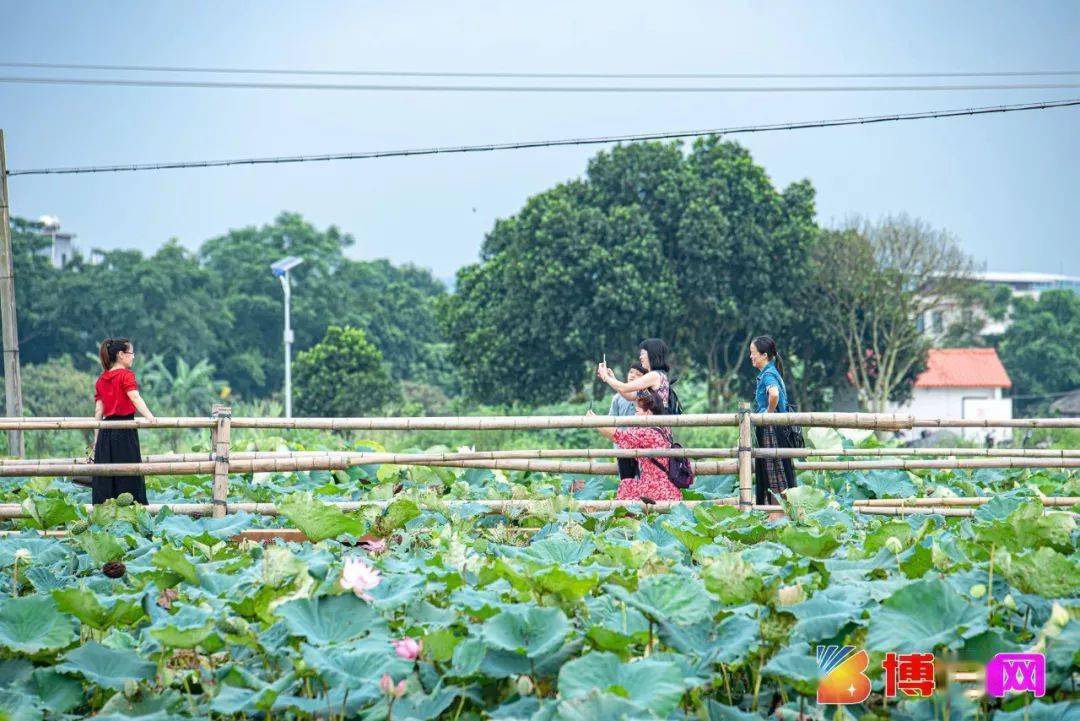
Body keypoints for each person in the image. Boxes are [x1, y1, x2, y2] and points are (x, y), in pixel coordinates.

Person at [588, 389, 681, 502]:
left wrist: (594, 420)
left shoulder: (647, 433)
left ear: (647, 413)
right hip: (665, 489)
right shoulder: (661, 428)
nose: (634, 415)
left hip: (656, 490)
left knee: (626, 500)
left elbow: (616, 435)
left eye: (636, 411)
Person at [92, 338, 155, 505]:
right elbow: (134, 397)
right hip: (124, 431)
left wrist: (96, 440)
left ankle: (105, 520)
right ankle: (135, 517)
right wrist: (151, 417)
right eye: (131, 353)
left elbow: (98, 411)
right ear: (121, 355)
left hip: (105, 432)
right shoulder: (126, 375)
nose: (133, 357)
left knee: (107, 480)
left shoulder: (102, 379)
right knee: (129, 478)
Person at [749, 336, 797, 509]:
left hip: (771, 430)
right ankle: (780, 512)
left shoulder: (768, 375)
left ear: (764, 355)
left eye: (753, 353)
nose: (751, 357)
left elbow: (774, 394)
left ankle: (777, 513)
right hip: (776, 428)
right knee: (778, 471)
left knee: (774, 472)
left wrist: (768, 414)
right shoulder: (771, 372)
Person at [597, 338, 671, 411]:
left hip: (655, 422)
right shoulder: (657, 375)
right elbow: (630, 396)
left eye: (642, 353)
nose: (640, 357)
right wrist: (612, 378)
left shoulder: (654, 375)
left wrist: (606, 377)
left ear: (652, 354)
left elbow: (624, 387)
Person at [609, 362, 647, 479]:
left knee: (643, 479)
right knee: (626, 481)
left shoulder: (646, 397)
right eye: (631, 372)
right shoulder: (617, 398)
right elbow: (610, 421)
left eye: (638, 374)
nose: (633, 375)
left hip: (642, 446)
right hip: (622, 447)